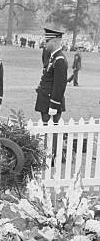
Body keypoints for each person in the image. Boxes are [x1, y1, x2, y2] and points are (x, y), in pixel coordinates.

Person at [35, 28, 68, 165]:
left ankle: (52, 156)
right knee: (45, 129)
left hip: (51, 101)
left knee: (52, 129)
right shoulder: (52, 56)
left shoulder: (59, 59)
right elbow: (48, 77)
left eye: (47, 41)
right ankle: (46, 154)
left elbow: (60, 84)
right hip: (45, 97)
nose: (45, 43)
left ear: (54, 41)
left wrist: (54, 104)